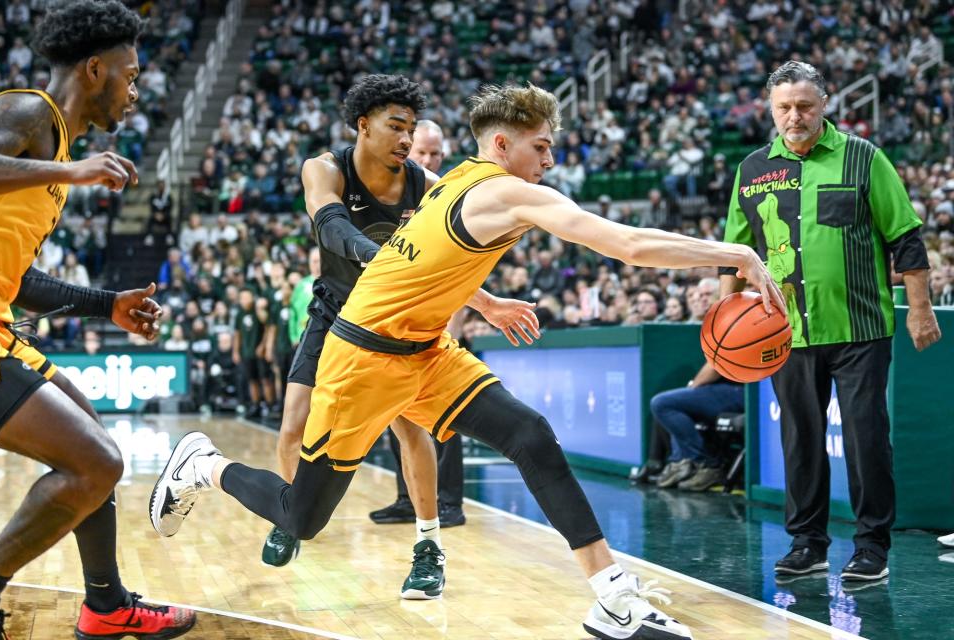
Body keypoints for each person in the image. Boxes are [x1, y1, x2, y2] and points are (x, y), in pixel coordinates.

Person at [151, 83, 783, 640]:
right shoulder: (506, 194)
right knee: (302, 517)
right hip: (363, 357)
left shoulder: (450, 180)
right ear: (503, 144)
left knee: (529, 434)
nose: (551, 159)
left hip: (425, 350)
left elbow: (420, 258)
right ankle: (205, 466)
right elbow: (626, 243)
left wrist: (484, 299)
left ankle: (613, 599)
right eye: (541, 146)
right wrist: (737, 255)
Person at [238, 77, 532, 604]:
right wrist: (379, 257)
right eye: (396, 126)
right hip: (336, 311)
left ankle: (428, 545)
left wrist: (486, 304)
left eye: (411, 128)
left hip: (397, 319)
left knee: (412, 430)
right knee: (294, 425)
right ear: (362, 125)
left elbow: (453, 262)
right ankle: (290, 514)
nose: (405, 137)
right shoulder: (325, 167)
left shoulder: (428, 184)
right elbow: (327, 223)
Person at [0, 1, 195, 637]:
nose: (135, 90)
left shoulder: (52, 147)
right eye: (129, 75)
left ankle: (106, 607)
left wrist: (103, 304)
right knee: (97, 462)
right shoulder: (27, 111)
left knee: (93, 437)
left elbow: (16, 279)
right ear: (92, 70)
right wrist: (70, 171)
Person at [719, 61, 941, 582]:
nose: (794, 116)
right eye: (784, 108)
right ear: (770, 110)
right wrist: (723, 311)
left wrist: (921, 307)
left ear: (824, 106)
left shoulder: (864, 159)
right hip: (783, 331)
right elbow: (733, 250)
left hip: (861, 328)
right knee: (799, 438)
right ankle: (808, 543)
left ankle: (871, 547)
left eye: (804, 106)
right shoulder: (751, 170)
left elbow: (904, 236)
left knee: (867, 439)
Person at [369, 118, 468, 529]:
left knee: (445, 421)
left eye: (436, 154)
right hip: (397, 328)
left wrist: (455, 331)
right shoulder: (391, 198)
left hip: (440, 329)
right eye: (422, 153)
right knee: (399, 416)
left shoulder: (446, 199)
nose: (429, 160)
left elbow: (463, 274)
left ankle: (449, 502)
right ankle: (408, 498)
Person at [650, 363, 744, 491]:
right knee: (675, 403)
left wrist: (693, 386)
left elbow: (715, 366)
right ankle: (681, 461)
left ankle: (705, 464)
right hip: (726, 389)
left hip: (741, 391)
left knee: (662, 403)